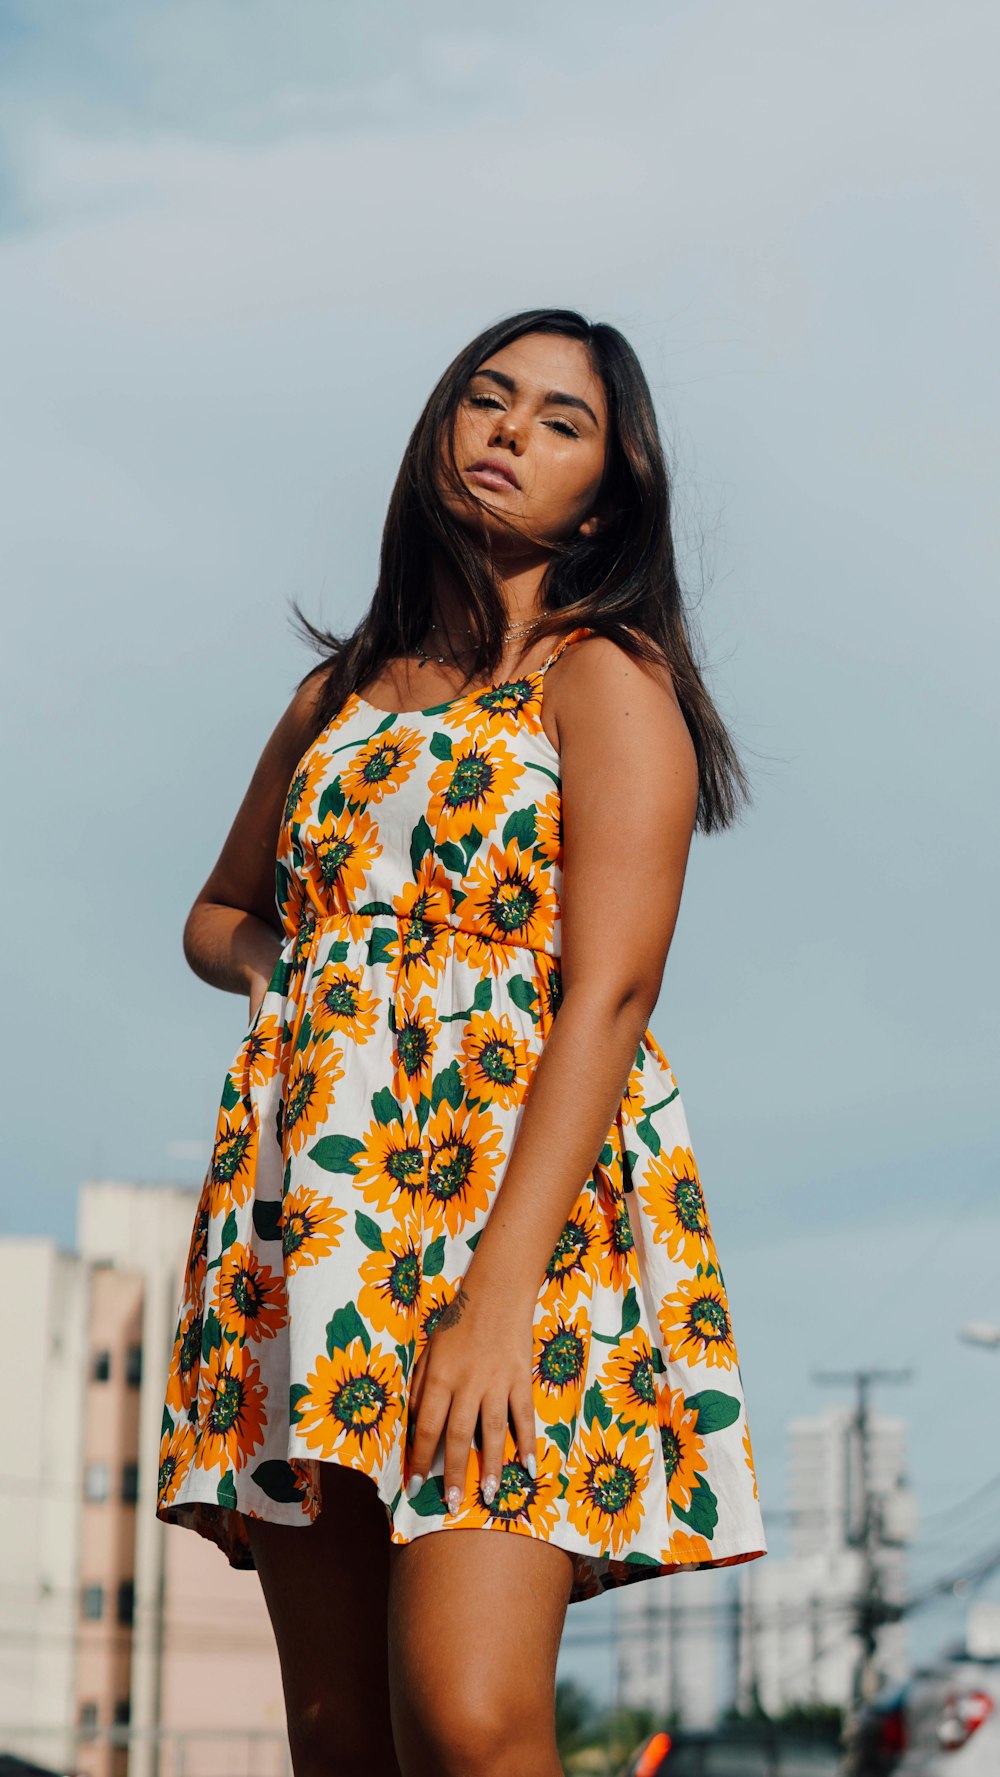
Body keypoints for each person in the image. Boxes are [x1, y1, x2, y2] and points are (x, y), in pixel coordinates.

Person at [157, 307, 767, 1777]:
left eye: (561, 421)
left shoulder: (601, 679)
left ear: (607, 496)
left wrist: (494, 1303)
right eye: (487, 400)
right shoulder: (340, 691)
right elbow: (217, 913)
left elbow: (611, 999)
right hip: (311, 1222)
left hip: (515, 1227)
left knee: (471, 1720)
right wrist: (300, 985)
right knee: (341, 1737)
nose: (508, 432)